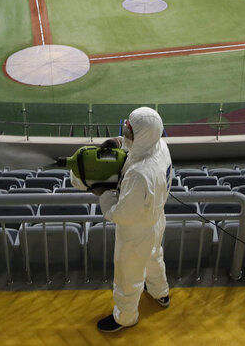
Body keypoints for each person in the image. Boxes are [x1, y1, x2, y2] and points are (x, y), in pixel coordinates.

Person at [92, 106, 172, 333]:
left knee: (128, 274)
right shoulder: (160, 146)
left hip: (136, 230)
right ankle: (160, 293)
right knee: (154, 258)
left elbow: (121, 214)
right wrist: (118, 143)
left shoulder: (139, 173)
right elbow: (138, 145)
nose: (126, 129)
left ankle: (125, 317)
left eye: (130, 130)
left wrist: (104, 195)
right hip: (156, 218)